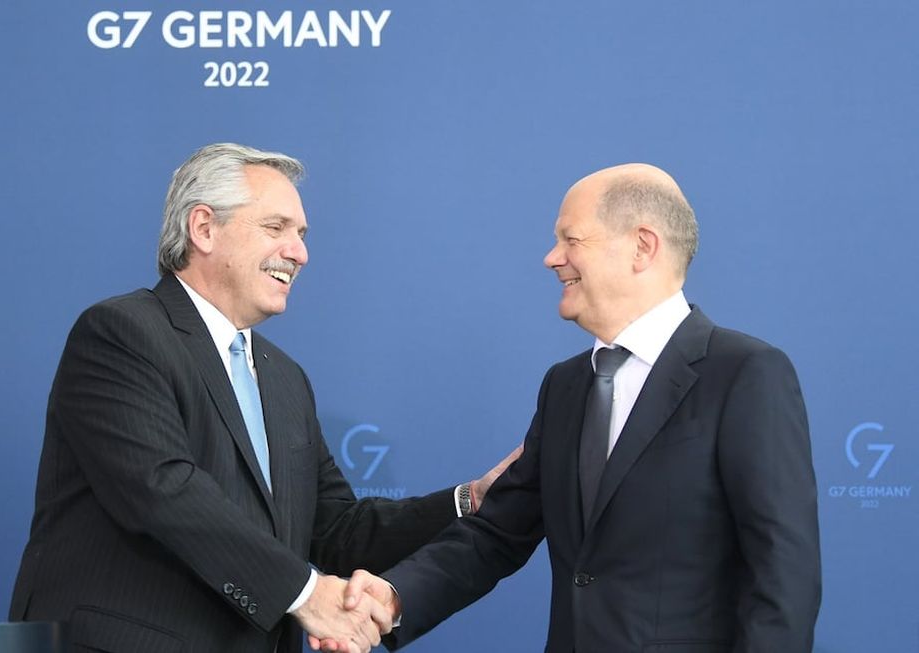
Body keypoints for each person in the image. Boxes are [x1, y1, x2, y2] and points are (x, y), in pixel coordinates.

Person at [8, 143, 519, 653]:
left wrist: (468, 499)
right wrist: (308, 594)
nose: (299, 253)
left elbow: (336, 529)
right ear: (203, 228)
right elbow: (163, 489)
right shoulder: (122, 333)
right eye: (276, 228)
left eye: (300, 234)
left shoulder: (284, 377)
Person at [336, 164, 822, 652]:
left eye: (571, 240)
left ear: (642, 246)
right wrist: (394, 597)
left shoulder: (745, 373)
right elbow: (497, 534)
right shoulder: (565, 385)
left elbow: (782, 576)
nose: (552, 259)